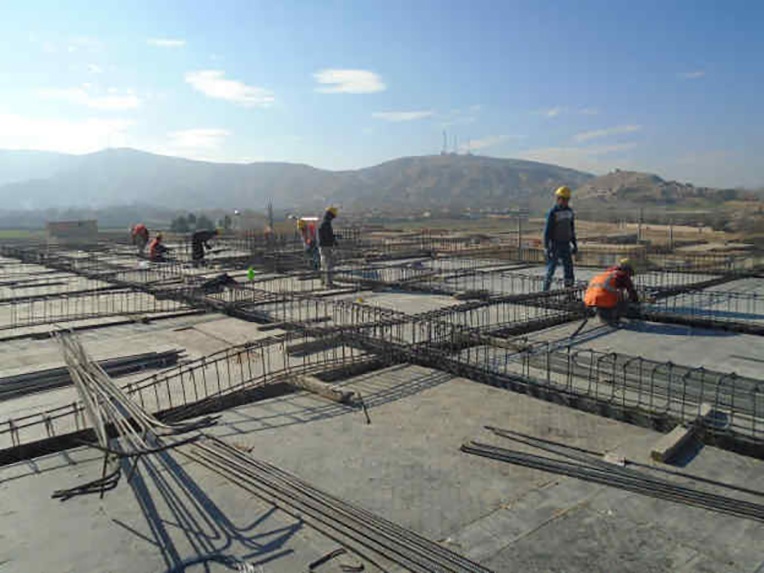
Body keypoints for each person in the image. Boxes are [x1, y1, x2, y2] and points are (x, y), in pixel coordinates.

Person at [543, 186, 578, 291]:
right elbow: (547, 231)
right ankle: (545, 291)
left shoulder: (570, 212)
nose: (565, 201)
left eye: (567, 199)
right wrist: (546, 247)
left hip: (566, 244)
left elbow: (571, 229)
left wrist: (574, 244)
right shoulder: (553, 212)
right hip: (555, 245)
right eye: (563, 199)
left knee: (569, 270)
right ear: (558, 199)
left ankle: (569, 292)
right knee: (551, 270)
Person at [584, 258, 640, 324]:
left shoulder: (608, 273)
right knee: (622, 297)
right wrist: (636, 302)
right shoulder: (622, 275)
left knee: (613, 293)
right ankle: (617, 317)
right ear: (628, 269)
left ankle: (604, 315)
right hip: (604, 299)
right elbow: (631, 291)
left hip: (589, 299)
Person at [318, 206, 339, 287]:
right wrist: (334, 241)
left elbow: (327, 235)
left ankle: (323, 281)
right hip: (326, 247)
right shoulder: (326, 224)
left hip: (323, 246)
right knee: (328, 265)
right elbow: (327, 236)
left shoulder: (324, 223)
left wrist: (334, 237)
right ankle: (329, 283)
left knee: (324, 265)